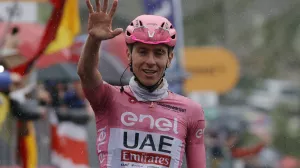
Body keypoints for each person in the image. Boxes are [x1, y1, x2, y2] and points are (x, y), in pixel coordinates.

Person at [77, 0, 206, 167]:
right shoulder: (108, 98)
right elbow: (86, 74)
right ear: (129, 56)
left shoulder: (191, 111)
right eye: (143, 52)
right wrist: (94, 40)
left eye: (159, 53)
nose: (150, 61)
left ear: (169, 59)